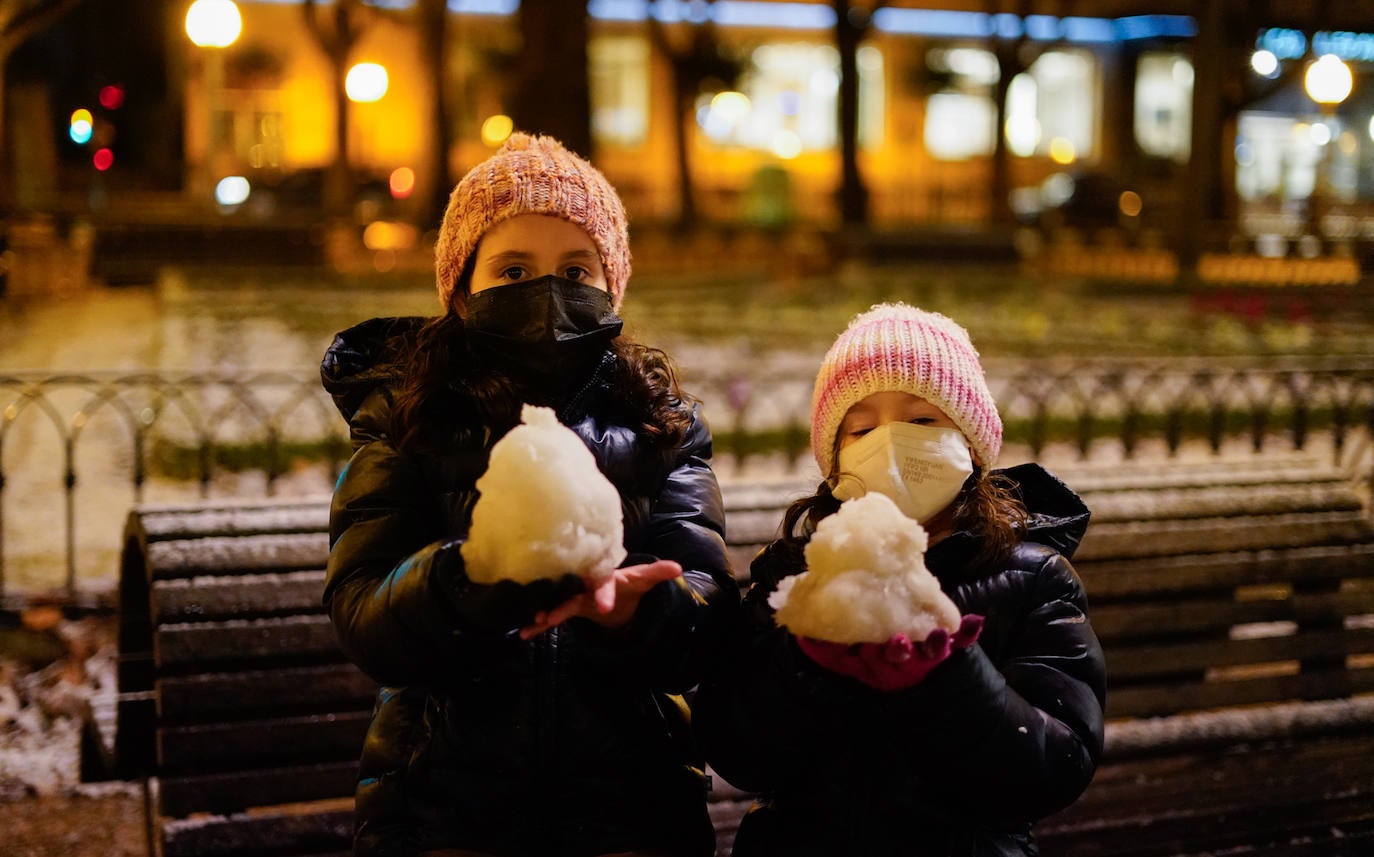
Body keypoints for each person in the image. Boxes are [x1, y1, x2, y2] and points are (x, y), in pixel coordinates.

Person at [320, 132, 738, 857]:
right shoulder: (408, 416)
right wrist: (466, 575)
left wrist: (650, 612)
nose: (547, 294)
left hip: (632, 808)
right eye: (513, 270)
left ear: (612, 285)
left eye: (576, 268)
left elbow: (707, 611)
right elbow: (363, 607)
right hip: (442, 810)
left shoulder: (660, 427)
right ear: (461, 289)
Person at [693, 302, 1106, 857]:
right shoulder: (794, 574)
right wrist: (805, 664)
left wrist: (950, 678)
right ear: (835, 463)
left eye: (920, 420)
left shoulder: (1031, 577)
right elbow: (740, 751)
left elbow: (1055, 764)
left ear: (970, 442)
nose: (890, 443)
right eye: (861, 428)